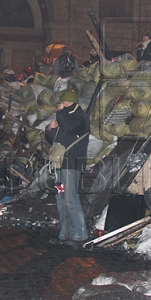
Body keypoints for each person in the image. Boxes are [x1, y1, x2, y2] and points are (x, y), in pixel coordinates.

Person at [45, 89, 90, 248]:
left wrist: (60, 114)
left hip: (71, 165)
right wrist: (49, 129)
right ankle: (64, 234)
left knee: (71, 198)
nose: (64, 106)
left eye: (68, 103)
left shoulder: (80, 118)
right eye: (63, 103)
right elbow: (54, 140)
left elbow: (70, 129)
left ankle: (79, 235)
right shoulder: (63, 118)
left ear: (75, 103)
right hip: (58, 166)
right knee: (61, 197)